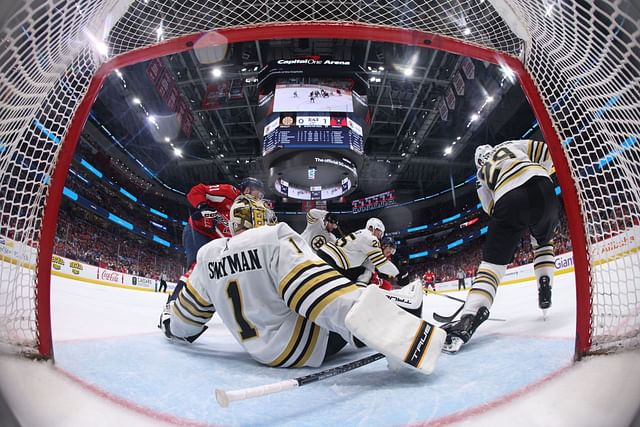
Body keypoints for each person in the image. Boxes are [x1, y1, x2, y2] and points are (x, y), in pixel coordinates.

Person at [159, 195, 445, 374]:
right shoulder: (274, 236)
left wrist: (170, 325)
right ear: (261, 217)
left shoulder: (207, 255)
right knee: (342, 291)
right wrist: (397, 335)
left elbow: (185, 321)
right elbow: (320, 294)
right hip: (304, 346)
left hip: (258, 352)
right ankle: (405, 304)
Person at [443, 139, 558, 353]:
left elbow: (490, 208)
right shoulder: (511, 144)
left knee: (491, 267)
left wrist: (514, 218)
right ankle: (545, 283)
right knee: (543, 244)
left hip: (509, 197)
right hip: (543, 187)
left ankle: (468, 319)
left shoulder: (480, 175)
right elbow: (545, 151)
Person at [169, 178, 265, 303]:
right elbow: (197, 190)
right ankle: (172, 305)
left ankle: (191, 313)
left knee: (216, 276)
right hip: (199, 231)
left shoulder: (251, 213)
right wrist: (203, 206)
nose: (260, 198)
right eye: (259, 194)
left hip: (217, 242)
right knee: (197, 268)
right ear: (247, 190)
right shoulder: (229, 192)